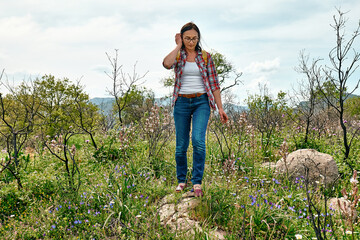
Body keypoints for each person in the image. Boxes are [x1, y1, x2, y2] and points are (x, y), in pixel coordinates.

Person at [162, 22, 228, 197]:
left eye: (194, 38)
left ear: (199, 38)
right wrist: (177, 46)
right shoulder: (178, 55)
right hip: (181, 102)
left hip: (202, 102)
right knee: (181, 146)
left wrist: (220, 108)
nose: (191, 42)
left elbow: (214, 84)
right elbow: (166, 64)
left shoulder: (205, 57)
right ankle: (182, 180)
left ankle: (197, 182)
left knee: (198, 141)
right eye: (187, 38)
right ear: (182, 39)